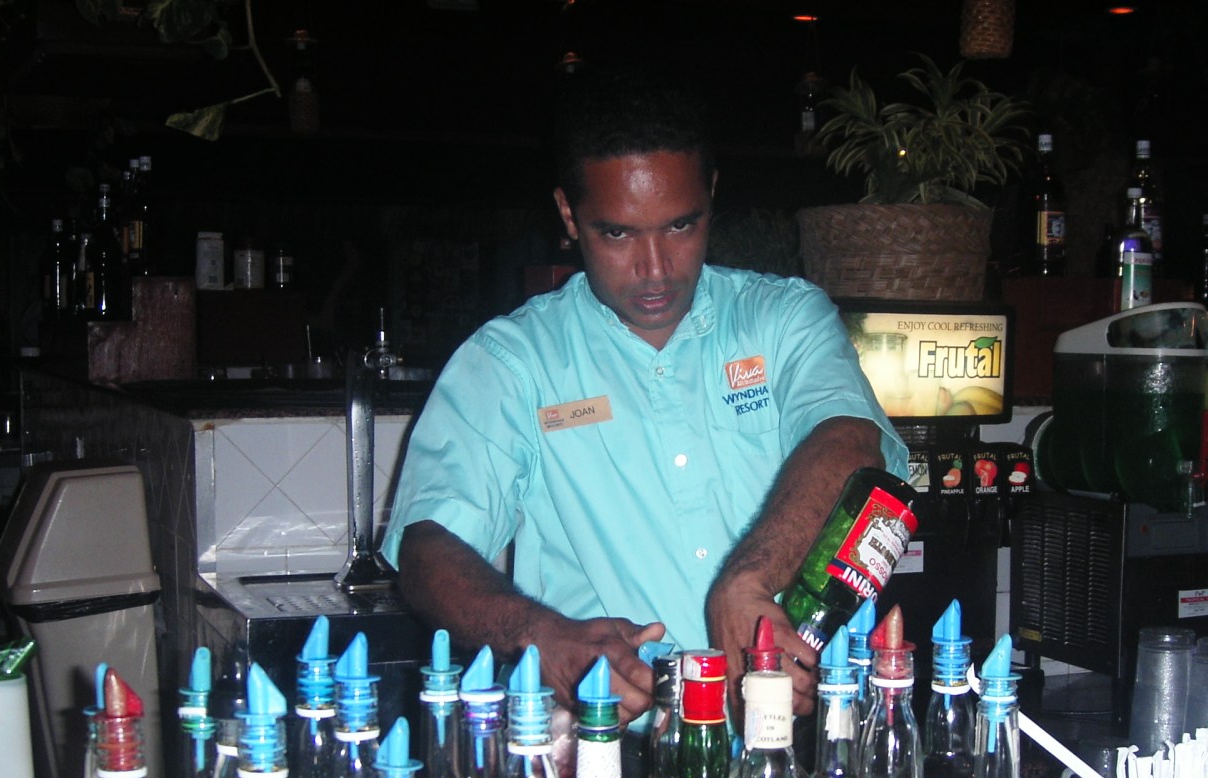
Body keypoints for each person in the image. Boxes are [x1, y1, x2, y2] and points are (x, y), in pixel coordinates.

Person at [380, 64, 907, 735]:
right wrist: (544, 637)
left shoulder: (782, 320)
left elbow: (851, 440)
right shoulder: (514, 362)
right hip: (609, 751)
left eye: (681, 226)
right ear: (569, 215)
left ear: (711, 196)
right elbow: (427, 549)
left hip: (792, 737)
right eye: (618, 233)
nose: (655, 269)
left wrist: (744, 584)